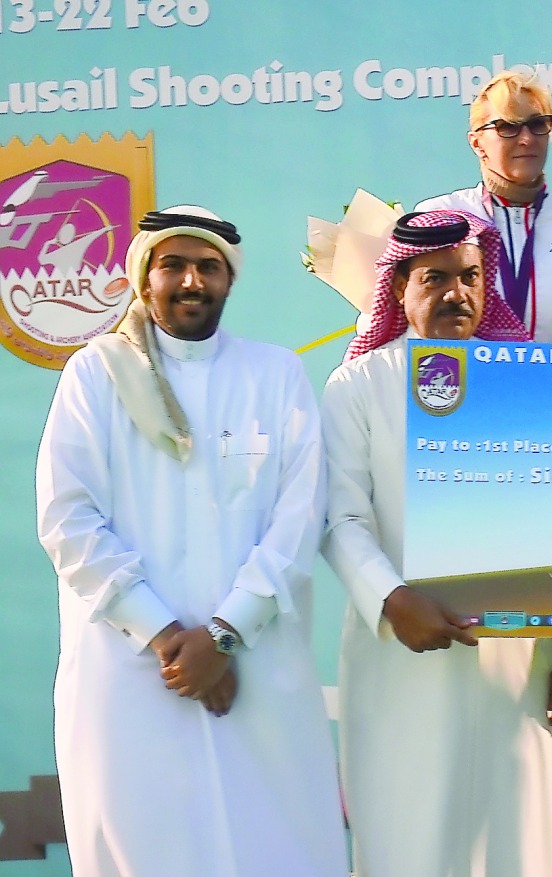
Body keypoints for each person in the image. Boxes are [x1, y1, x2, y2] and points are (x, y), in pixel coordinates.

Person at [35, 206, 347, 877]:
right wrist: (166, 636)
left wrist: (226, 633)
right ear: (145, 277)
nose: (190, 281)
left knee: (276, 846)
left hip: (255, 667)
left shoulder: (275, 375)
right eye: (172, 264)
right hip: (131, 673)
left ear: (229, 280)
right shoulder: (97, 374)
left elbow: (300, 515)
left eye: (208, 266)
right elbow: (68, 518)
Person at [323, 209, 552, 877]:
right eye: (436, 278)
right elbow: (341, 519)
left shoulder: (531, 377)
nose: (457, 293)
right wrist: (392, 599)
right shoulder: (357, 387)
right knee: (410, 832)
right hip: (401, 658)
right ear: (397, 289)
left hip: (522, 665)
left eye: (471, 276)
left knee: (521, 836)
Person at [416, 70, 552, 343]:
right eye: (507, 127)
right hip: (468, 384)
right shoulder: (440, 217)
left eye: (538, 124)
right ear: (477, 143)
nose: (526, 138)